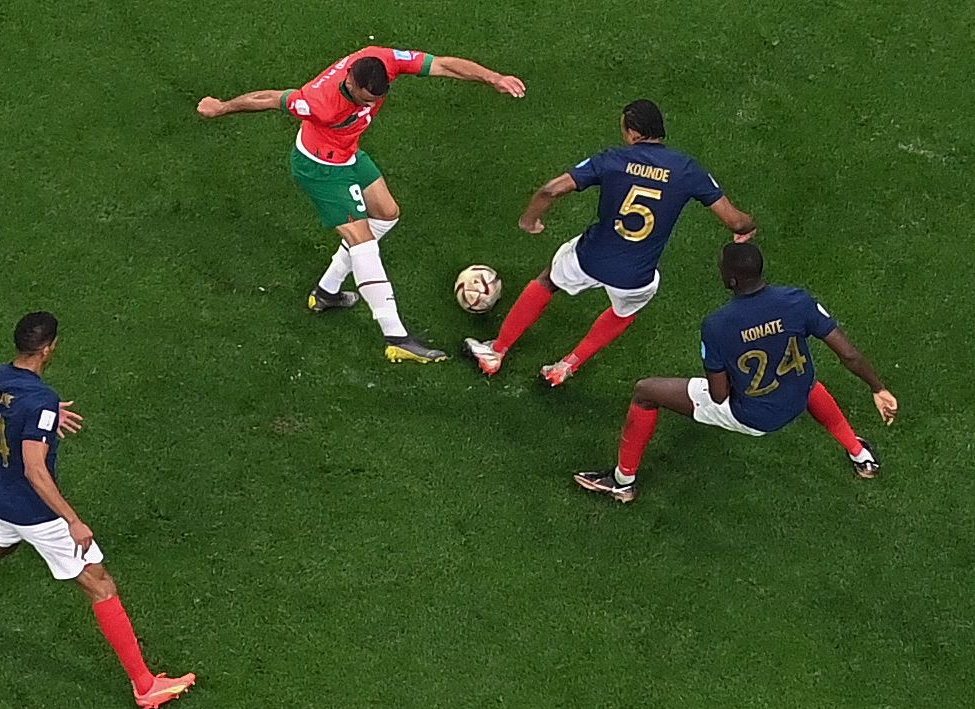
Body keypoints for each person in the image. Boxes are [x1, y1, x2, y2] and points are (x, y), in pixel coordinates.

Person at [0, 312, 195, 709]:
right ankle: (145, 685)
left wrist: (46, 421)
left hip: (3, 496)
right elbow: (35, 468)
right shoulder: (41, 400)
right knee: (100, 584)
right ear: (49, 348)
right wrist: (74, 520)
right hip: (37, 514)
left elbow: (11, 418)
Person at [197, 46, 526, 363]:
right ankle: (396, 338)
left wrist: (492, 77)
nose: (371, 106)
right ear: (351, 83)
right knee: (363, 241)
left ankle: (326, 292)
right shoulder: (319, 102)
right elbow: (269, 98)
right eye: (365, 100)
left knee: (387, 214)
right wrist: (221, 107)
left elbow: (442, 64)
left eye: (377, 99)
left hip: (348, 153)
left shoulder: (384, 61)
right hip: (320, 169)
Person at [574, 243, 899, 503]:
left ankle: (621, 482)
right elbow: (850, 354)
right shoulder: (797, 300)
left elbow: (719, 395)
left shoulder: (718, 325)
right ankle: (861, 456)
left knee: (646, 391)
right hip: (800, 392)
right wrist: (878, 388)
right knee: (804, 378)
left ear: (732, 280)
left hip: (754, 417)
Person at [464, 99, 756, 385]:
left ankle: (496, 351)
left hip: (589, 257)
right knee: (623, 312)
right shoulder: (687, 169)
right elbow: (736, 222)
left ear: (632, 133)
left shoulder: (613, 160)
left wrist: (530, 220)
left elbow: (551, 190)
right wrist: (746, 228)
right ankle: (566, 366)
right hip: (636, 277)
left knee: (548, 281)